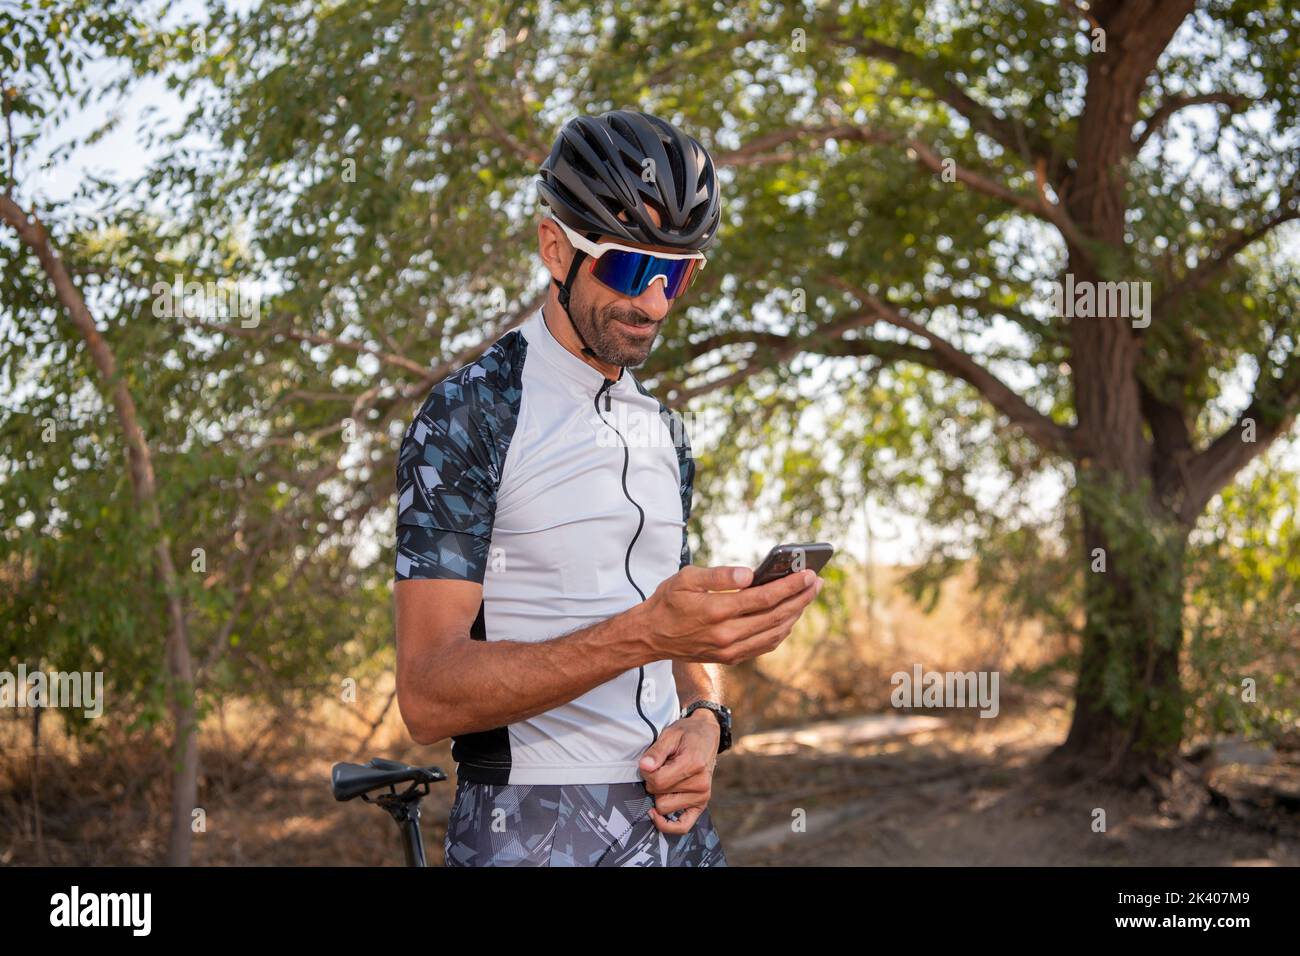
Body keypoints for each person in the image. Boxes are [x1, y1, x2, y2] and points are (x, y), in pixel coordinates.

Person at [393, 109, 823, 866]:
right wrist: (646, 634)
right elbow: (428, 695)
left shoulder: (666, 429)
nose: (655, 302)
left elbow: (676, 627)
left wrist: (705, 718)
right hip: (529, 826)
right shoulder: (472, 412)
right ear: (555, 247)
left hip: (673, 828)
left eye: (677, 272)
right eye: (629, 268)